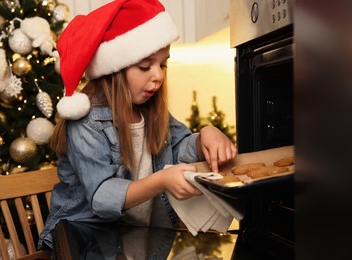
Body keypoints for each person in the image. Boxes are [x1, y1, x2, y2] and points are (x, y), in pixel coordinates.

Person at [38, 0, 237, 250]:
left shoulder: (150, 111)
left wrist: (206, 135)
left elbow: (177, 147)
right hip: (83, 241)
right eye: (146, 66)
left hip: (135, 239)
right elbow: (102, 196)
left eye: (163, 64)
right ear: (114, 70)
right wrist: (162, 180)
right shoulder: (86, 122)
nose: (159, 75)